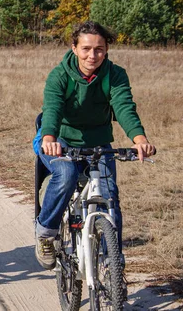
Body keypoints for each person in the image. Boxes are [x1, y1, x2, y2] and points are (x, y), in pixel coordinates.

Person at [35, 21, 156, 270]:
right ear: (74, 48)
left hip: (98, 142)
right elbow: (53, 109)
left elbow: (123, 106)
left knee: (109, 196)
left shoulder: (114, 74)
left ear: (107, 49)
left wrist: (139, 138)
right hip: (59, 139)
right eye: (86, 49)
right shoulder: (60, 75)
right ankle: (46, 234)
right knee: (66, 174)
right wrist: (49, 138)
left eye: (99, 49)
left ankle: (112, 260)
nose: (93, 55)